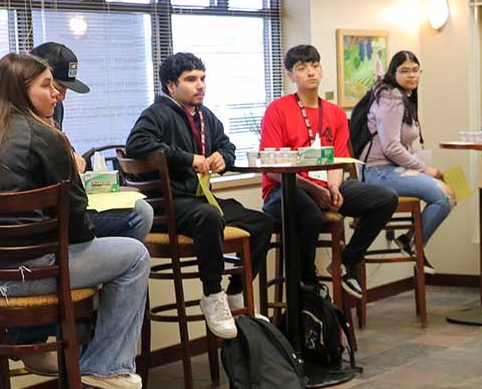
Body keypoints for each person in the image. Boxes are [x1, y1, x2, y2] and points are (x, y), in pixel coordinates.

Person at [0, 53, 149, 389]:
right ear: (20, 89)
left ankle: (54, 347)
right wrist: (74, 171)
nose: (56, 93)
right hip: (32, 275)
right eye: (46, 85)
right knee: (134, 255)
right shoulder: (46, 137)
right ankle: (106, 366)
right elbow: (76, 228)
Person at [124, 52, 274, 340]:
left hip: (203, 199)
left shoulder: (205, 116)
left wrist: (222, 157)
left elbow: (227, 145)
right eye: (191, 80)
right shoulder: (156, 114)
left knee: (261, 223)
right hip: (170, 206)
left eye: (202, 78)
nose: (200, 85)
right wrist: (187, 158)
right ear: (171, 86)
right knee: (209, 216)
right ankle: (212, 293)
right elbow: (137, 145)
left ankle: (235, 291)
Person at [0, 42, 154, 243]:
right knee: (136, 229)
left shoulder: (52, 108)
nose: (59, 96)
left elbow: (58, 154)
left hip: (30, 222)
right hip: (21, 229)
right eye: (51, 86)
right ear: (27, 79)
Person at [259, 44, 398, 299]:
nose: (311, 72)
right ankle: (307, 282)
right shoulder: (277, 110)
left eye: (315, 66)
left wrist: (333, 188)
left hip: (325, 184)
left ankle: (348, 260)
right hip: (286, 189)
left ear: (321, 70)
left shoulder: (334, 113)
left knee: (385, 198)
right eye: (302, 68)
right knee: (310, 213)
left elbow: (339, 160)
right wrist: (313, 189)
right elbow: (273, 167)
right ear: (290, 76)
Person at [362, 50, 452, 272]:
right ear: (394, 73)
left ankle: (411, 241)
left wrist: (427, 169)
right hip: (379, 172)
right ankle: (414, 244)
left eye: (415, 71)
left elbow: (404, 145)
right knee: (444, 196)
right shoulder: (391, 97)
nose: (412, 76)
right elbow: (391, 147)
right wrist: (424, 169)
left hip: (397, 170)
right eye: (405, 71)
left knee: (456, 187)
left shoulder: (404, 97)